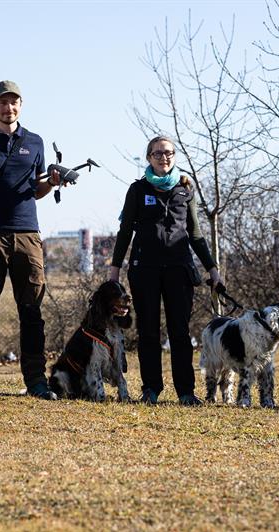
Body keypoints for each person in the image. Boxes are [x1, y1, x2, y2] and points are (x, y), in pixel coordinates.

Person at [0, 80, 63, 401]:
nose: (9, 107)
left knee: (32, 312)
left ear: (21, 104)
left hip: (28, 236)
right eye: (3, 102)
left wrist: (52, 182)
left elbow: (36, 189)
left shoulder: (35, 142)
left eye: (14, 102)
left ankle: (36, 380)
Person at [109, 135, 221, 406]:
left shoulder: (185, 189)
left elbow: (195, 234)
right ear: (149, 157)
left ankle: (185, 391)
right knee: (148, 331)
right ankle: (151, 389)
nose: (164, 157)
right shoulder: (137, 190)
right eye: (158, 153)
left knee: (179, 332)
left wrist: (212, 268)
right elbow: (125, 231)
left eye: (168, 152)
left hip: (179, 270)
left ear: (174, 156)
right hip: (144, 270)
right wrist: (114, 268)